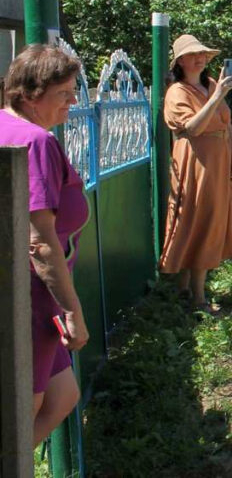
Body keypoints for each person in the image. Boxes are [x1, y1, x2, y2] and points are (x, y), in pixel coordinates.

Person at [0, 45, 90, 445]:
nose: (72, 102)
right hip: (33, 297)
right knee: (26, 411)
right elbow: (39, 241)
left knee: (62, 395)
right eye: (64, 94)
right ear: (31, 93)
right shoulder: (35, 142)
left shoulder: (5, 126)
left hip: (27, 293)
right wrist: (72, 310)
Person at [159, 34, 232, 313]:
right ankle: (197, 298)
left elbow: (226, 123)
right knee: (197, 222)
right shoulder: (177, 92)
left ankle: (185, 291)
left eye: (203, 54)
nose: (200, 59)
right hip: (195, 165)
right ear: (180, 61)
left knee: (208, 220)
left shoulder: (210, 84)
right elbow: (193, 128)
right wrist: (218, 96)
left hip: (217, 164)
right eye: (193, 54)